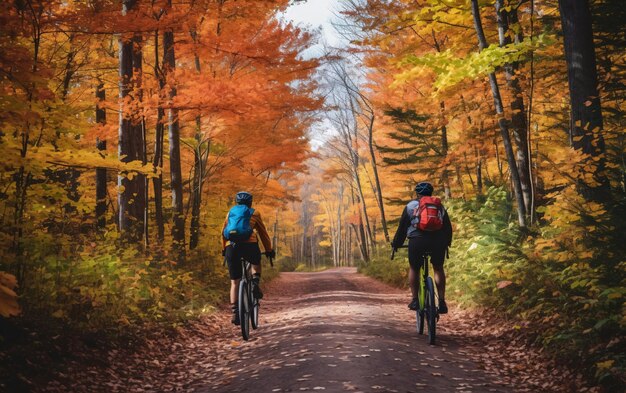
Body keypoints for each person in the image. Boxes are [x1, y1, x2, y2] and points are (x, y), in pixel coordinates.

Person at [391, 182, 452, 314]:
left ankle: (415, 300)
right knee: (438, 267)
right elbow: (447, 227)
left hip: (417, 241)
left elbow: (402, 228)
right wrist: (447, 243)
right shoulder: (439, 206)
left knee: (414, 268)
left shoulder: (410, 206)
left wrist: (396, 243)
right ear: (431, 193)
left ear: (417, 193)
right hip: (437, 241)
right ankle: (441, 301)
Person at [222, 191, 275, 325]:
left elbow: (223, 232)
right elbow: (263, 234)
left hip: (231, 247)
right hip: (249, 245)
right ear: (250, 202)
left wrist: (224, 249)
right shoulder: (254, 213)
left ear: (237, 202)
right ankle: (255, 283)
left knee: (234, 282)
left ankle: (235, 312)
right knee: (255, 262)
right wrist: (269, 250)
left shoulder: (230, 213)